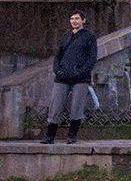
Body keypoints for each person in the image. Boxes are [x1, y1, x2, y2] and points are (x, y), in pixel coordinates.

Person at [41, 11, 98, 145]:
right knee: (55, 106)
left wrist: (82, 71)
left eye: (77, 19)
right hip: (62, 77)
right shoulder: (66, 35)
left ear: (83, 20)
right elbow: (58, 54)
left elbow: (92, 57)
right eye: (72, 19)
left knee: (76, 107)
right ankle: (50, 136)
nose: (74, 21)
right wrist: (57, 70)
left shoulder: (89, 36)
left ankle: (72, 135)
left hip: (80, 78)